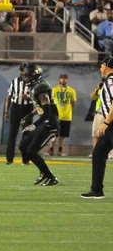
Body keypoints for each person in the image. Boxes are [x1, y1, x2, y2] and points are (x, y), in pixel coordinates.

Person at [18, 63, 60, 187]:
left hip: (50, 124)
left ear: (34, 76)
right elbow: (40, 107)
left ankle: (50, 176)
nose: (26, 79)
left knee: (31, 151)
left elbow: (47, 112)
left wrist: (34, 125)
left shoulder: (41, 88)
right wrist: (28, 116)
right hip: (44, 122)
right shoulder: (36, 87)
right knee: (23, 145)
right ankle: (44, 172)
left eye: (28, 76)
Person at [82, 56, 113, 199]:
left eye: (101, 66)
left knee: (98, 153)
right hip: (110, 125)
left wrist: (106, 122)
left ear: (106, 66)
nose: (100, 69)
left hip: (111, 124)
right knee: (98, 153)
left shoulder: (111, 80)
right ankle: (96, 190)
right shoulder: (108, 81)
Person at [3, 62, 32, 165]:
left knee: (27, 134)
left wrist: (29, 97)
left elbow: (37, 97)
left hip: (28, 109)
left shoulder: (33, 82)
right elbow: (9, 97)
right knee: (12, 134)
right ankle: (9, 159)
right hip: (16, 108)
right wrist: (6, 112)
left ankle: (26, 159)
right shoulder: (14, 81)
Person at [49, 74, 76, 156]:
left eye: (65, 79)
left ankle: (60, 150)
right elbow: (51, 102)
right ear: (59, 79)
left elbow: (73, 103)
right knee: (53, 134)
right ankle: (51, 149)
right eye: (61, 78)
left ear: (67, 80)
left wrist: (66, 109)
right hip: (56, 115)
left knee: (63, 135)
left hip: (66, 116)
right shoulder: (54, 90)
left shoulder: (71, 91)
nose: (63, 80)